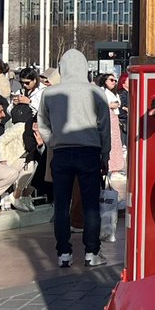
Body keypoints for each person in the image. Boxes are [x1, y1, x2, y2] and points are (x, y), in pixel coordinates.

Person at [38, 49, 111, 268]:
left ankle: (63, 253)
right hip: (89, 151)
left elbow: (42, 123)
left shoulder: (49, 93)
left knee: (61, 205)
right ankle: (91, 252)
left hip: (61, 152)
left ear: (62, 68)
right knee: (90, 205)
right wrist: (104, 154)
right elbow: (104, 127)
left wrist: (53, 141)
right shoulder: (96, 92)